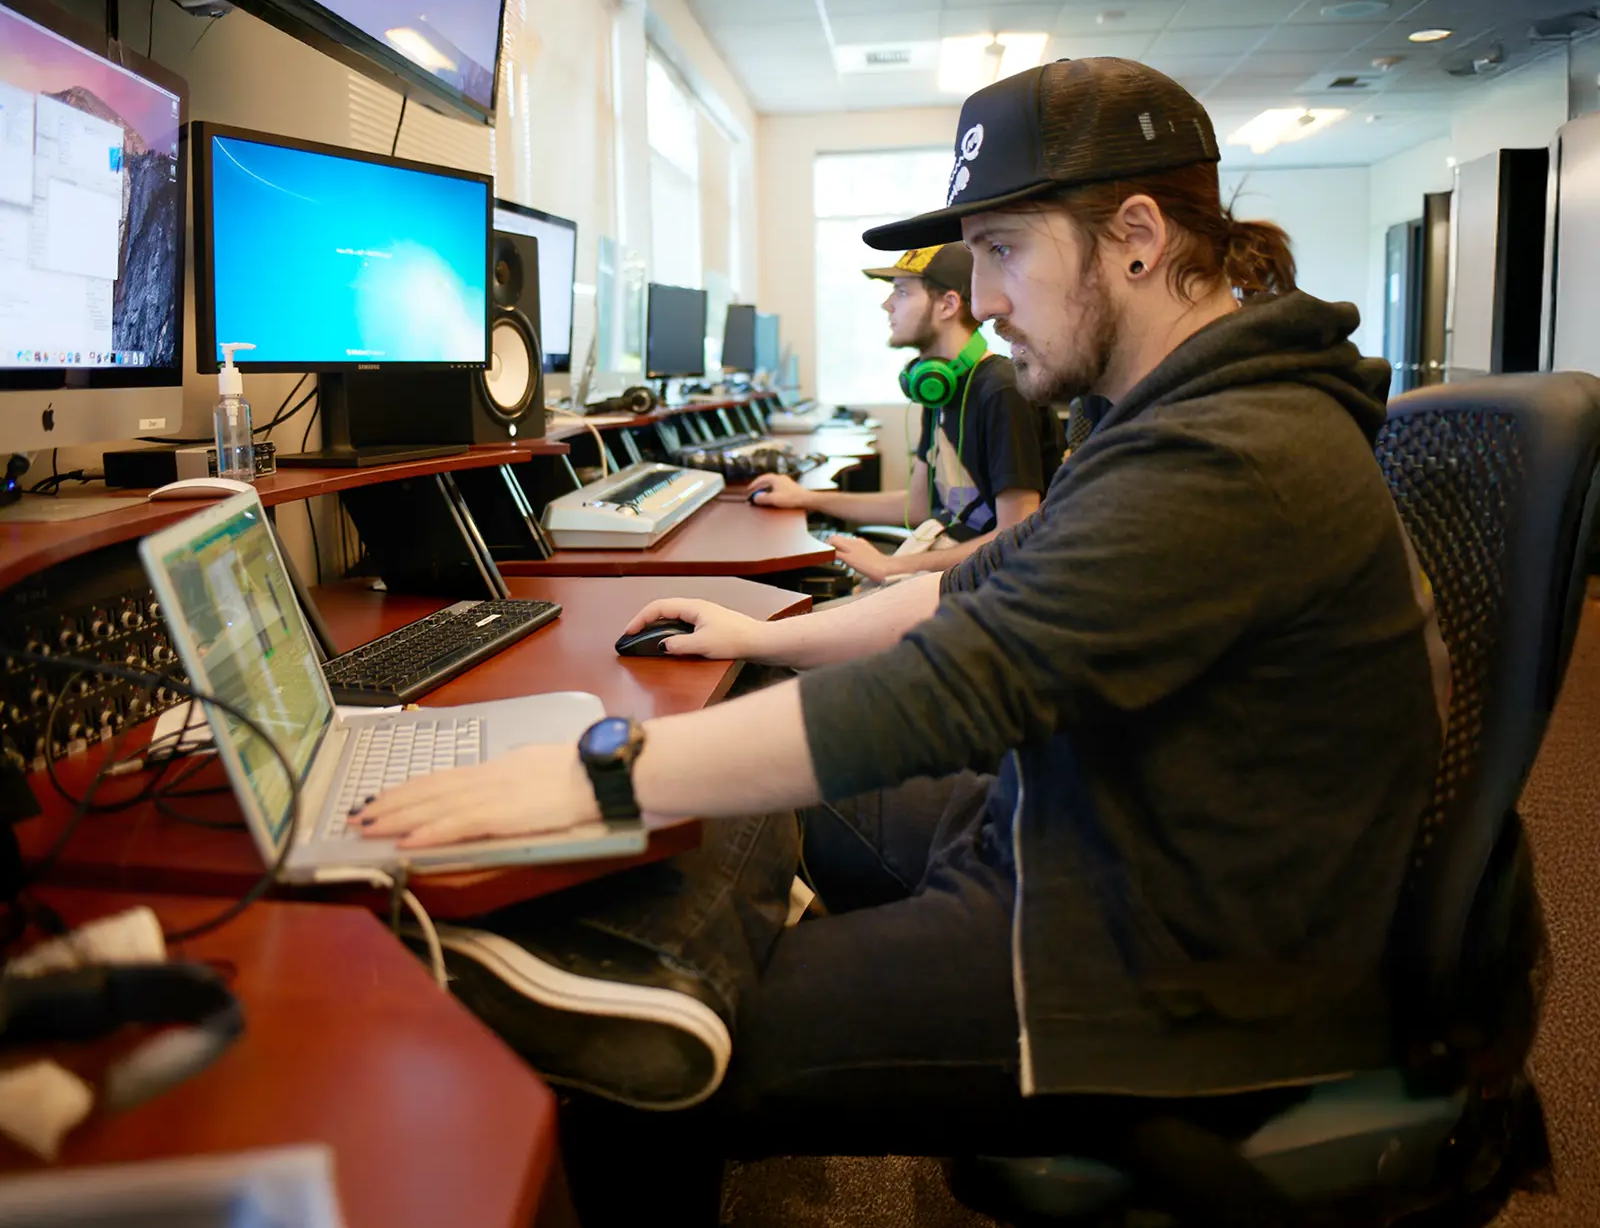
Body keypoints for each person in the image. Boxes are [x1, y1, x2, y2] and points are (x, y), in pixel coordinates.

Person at [356, 58, 1443, 1155]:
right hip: (1096, 827)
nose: (987, 297)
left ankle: (660, 983)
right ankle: (660, 960)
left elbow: (954, 687)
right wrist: (763, 632)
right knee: (749, 758)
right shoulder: (1177, 405)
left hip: (1166, 966)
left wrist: (589, 774)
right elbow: (973, 589)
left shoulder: (1228, 450)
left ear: (1138, 235)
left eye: (1004, 250)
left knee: (671, 1064)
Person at [747, 242, 1063, 584]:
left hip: (991, 586)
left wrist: (890, 567)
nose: (887, 305)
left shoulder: (1000, 391)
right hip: (952, 567)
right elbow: (916, 508)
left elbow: (1013, 537)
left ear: (948, 304)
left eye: (900, 292)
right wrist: (805, 498)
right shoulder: (939, 386)